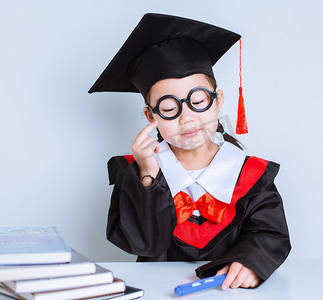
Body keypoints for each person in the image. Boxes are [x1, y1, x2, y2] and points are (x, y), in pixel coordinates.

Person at [89, 13, 291, 290]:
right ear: (151, 116)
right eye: (169, 109)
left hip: (229, 291)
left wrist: (252, 262)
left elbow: (269, 234)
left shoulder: (251, 174)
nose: (187, 118)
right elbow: (143, 243)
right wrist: (147, 176)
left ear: (218, 101)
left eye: (198, 101)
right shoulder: (136, 173)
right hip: (156, 291)